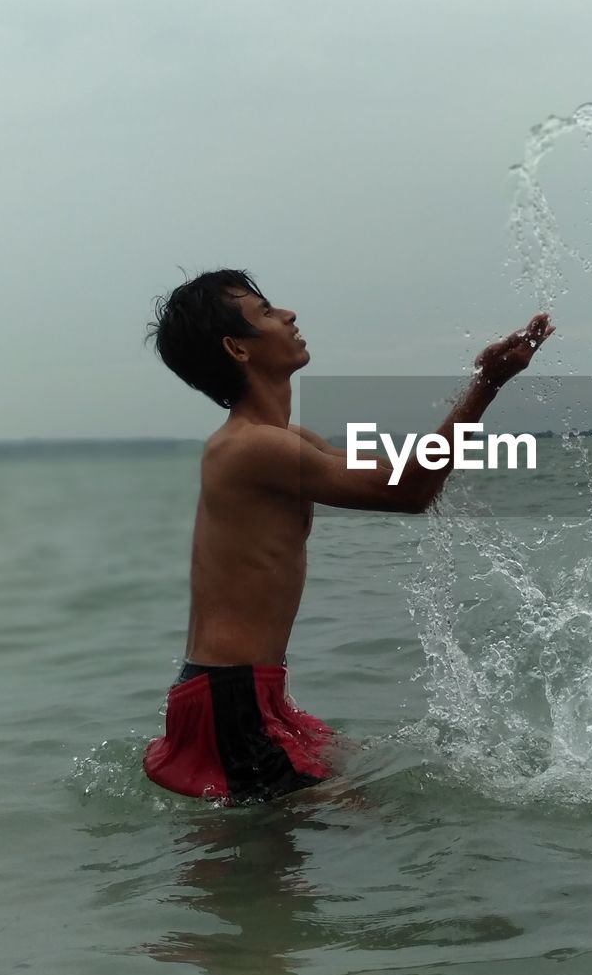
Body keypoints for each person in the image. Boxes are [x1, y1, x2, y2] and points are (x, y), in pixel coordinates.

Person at [143, 268, 554, 804]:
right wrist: (488, 385)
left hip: (244, 691)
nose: (288, 314)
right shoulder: (251, 449)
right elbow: (407, 491)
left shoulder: (285, 440)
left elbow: (406, 470)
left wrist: (483, 389)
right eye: (265, 313)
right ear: (237, 349)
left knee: (337, 811)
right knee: (340, 825)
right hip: (230, 695)